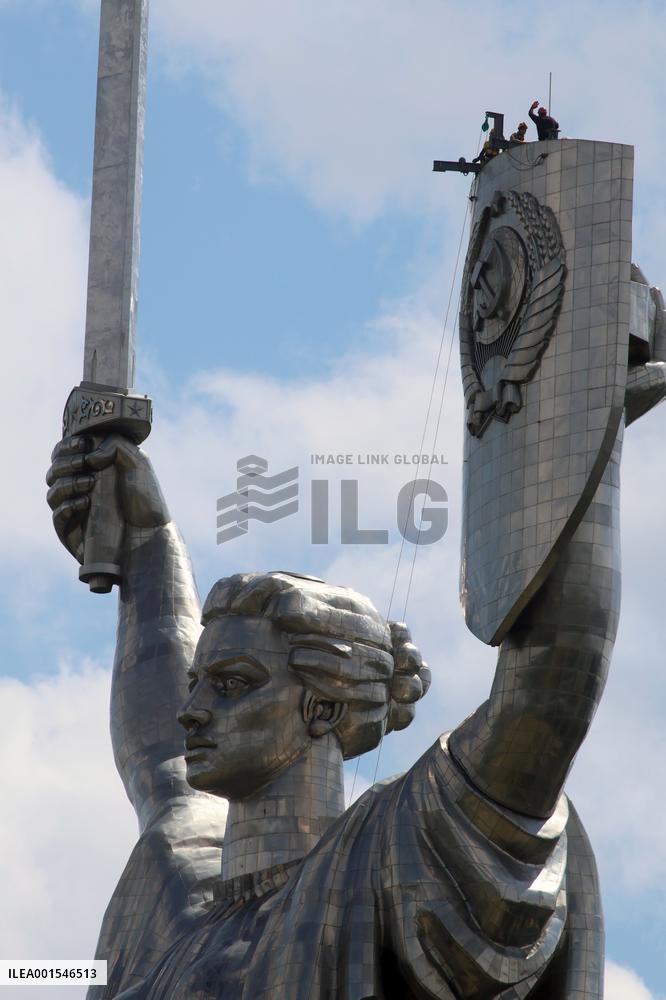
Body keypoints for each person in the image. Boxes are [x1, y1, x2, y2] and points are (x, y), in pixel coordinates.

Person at [49, 429, 634, 999]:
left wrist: (578, 430)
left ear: (323, 706)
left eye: (231, 685)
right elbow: (159, 755)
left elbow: (547, 697)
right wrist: (146, 543)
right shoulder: (181, 900)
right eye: (196, 685)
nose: (193, 712)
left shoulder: (385, 860)